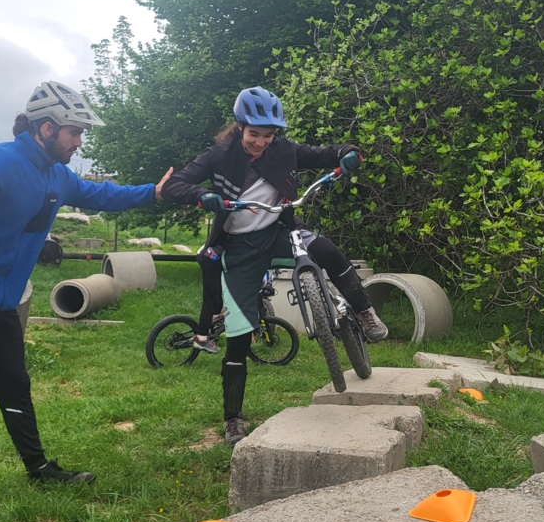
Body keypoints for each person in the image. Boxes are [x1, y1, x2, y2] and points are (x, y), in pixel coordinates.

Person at [0, 81, 174, 513]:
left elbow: (102, 194)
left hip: (3, 303)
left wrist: (154, 192)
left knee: (15, 387)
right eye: (75, 132)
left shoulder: (57, 175)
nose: (79, 141)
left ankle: (38, 468)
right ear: (47, 128)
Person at [161, 85, 387, 444]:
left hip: (281, 231)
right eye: (254, 134)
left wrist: (348, 154)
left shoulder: (284, 151)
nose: (261, 142)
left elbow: (327, 153)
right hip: (239, 248)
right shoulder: (219, 155)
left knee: (326, 249)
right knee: (238, 337)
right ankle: (233, 418)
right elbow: (175, 184)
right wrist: (202, 195)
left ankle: (364, 313)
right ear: (239, 127)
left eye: (268, 135)